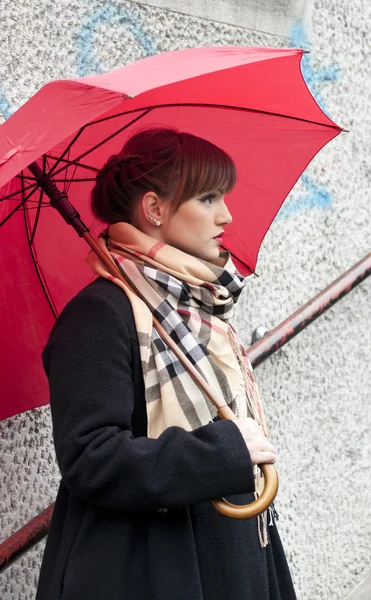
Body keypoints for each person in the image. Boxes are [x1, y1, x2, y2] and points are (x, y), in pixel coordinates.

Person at [35, 127, 297, 600]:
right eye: (209, 198)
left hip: (230, 553)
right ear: (154, 209)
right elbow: (90, 457)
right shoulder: (101, 314)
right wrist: (220, 453)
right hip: (149, 567)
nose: (226, 215)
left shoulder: (196, 309)